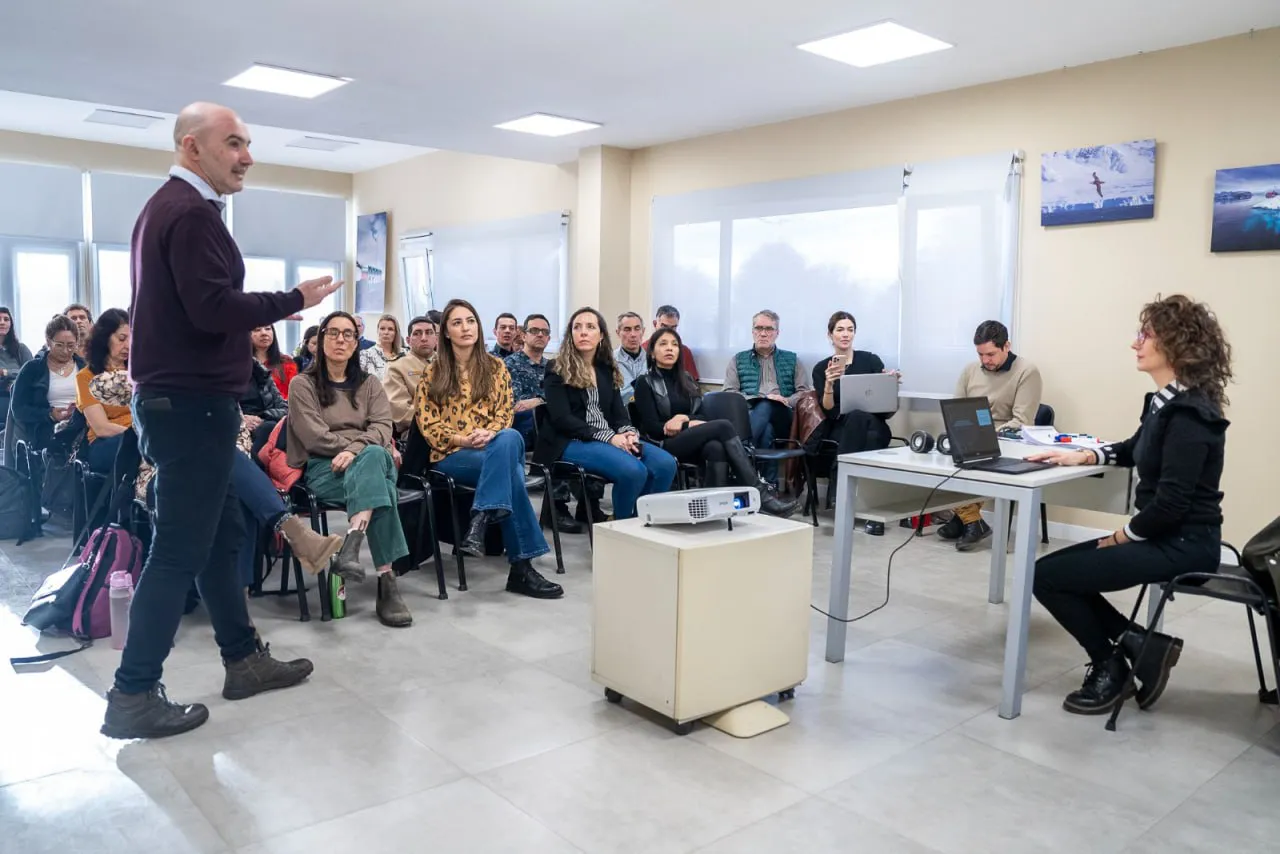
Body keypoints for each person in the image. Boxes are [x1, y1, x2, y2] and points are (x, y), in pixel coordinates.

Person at [102, 101, 342, 741]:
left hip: (181, 403)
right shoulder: (187, 212)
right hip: (189, 406)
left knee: (220, 535)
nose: (247, 156)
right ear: (192, 148)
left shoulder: (174, 209)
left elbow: (195, 308)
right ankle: (131, 695)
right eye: (233, 143)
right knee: (180, 548)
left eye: (247, 143)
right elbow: (211, 309)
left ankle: (242, 659)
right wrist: (295, 299)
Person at [1028, 295, 1231, 715]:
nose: (1135, 344)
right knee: (1048, 573)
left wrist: (1121, 537)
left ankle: (1113, 665)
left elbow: (1172, 504)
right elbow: (1133, 448)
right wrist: (1084, 455)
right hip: (1164, 535)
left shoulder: (1191, 414)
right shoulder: (1166, 402)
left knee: (1047, 577)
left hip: (1184, 543)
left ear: (1175, 344)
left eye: (1146, 335)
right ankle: (1141, 646)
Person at [417, 299, 564, 598]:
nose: (465, 327)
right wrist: (464, 440)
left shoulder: (496, 367)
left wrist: (490, 432)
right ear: (445, 332)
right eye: (457, 322)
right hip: (451, 455)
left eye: (470, 320)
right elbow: (428, 426)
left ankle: (481, 518)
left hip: (493, 447)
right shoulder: (434, 372)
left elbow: (504, 414)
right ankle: (521, 568)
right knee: (511, 472)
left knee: (509, 438)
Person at [288, 310, 412, 628]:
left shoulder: (370, 384)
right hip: (324, 468)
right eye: (333, 333)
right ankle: (387, 581)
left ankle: (352, 545)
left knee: (372, 456)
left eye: (348, 334)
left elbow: (384, 426)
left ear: (357, 342)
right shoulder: (302, 385)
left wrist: (356, 449)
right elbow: (313, 434)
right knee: (381, 485)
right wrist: (357, 446)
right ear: (319, 340)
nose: (341, 339)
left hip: (369, 458)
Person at [634, 327, 796, 517]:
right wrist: (685, 425)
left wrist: (685, 419)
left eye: (675, 344)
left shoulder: (686, 379)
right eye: (663, 344)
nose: (670, 349)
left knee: (716, 447)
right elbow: (652, 428)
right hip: (662, 444)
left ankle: (713, 511)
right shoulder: (645, 382)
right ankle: (760, 494)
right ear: (652, 352)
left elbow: (702, 417)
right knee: (723, 426)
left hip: (689, 438)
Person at [534, 307, 677, 521]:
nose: (583, 332)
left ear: (601, 335)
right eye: (577, 327)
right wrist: (609, 437)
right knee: (634, 471)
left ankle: (642, 522)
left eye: (590, 327)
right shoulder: (557, 368)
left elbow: (618, 413)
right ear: (570, 335)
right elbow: (562, 419)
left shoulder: (605, 368)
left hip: (608, 438)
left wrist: (628, 433)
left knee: (666, 464)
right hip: (570, 440)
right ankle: (621, 528)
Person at [937, 320, 1043, 551]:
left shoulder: (1027, 371)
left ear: (1007, 346)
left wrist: (984, 435)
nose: (986, 361)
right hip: (969, 434)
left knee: (972, 460)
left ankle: (965, 520)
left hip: (1005, 437)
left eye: (991, 354)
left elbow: (1022, 421)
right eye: (980, 354)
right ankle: (971, 521)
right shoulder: (970, 370)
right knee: (939, 459)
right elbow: (956, 410)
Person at [811, 311, 899, 532]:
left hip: (876, 425)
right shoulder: (822, 368)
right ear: (830, 335)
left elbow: (887, 407)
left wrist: (890, 384)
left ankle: (839, 486)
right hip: (841, 427)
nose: (845, 334)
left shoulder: (870, 360)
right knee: (858, 420)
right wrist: (830, 384)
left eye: (850, 329)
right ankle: (874, 516)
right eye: (840, 329)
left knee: (862, 418)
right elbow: (828, 409)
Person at [722, 310, 811, 485]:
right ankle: (769, 486)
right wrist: (755, 398)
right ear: (752, 331)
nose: (763, 333)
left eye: (769, 329)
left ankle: (739, 452)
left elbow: (804, 392)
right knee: (766, 425)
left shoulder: (792, 360)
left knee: (768, 405)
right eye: (759, 328)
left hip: (784, 418)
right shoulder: (738, 360)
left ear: (777, 333)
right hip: (752, 415)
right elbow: (729, 393)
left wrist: (785, 400)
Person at [6, 315, 82, 464]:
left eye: (71, 345)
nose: (66, 351)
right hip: (44, 430)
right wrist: (50, 415)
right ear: (48, 341)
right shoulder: (32, 369)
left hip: (81, 425)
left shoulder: (84, 367)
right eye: (59, 345)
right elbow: (19, 409)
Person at [75, 309, 133, 473]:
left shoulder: (137, 372)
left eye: (131, 339)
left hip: (140, 437)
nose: (128, 345)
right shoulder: (86, 377)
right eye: (122, 339)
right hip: (106, 442)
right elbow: (102, 428)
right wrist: (139, 436)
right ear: (104, 338)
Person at [383, 315, 435, 435]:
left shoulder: (448, 364)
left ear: (436, 338)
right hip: (418, 431)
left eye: (429, 333)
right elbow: (401, 414)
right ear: (408, 340)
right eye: (417, 333)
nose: (423, 338)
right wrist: (439, 418)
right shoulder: (397, 367)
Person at [505, 313, 552, 442]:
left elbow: (563, 398)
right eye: (534, 331)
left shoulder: (553, 368)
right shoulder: (509, 364)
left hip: (550, 422)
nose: (540, 334)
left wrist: (539, 401)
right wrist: (547, 401)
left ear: (548, 338)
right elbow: (517, 405)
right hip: (521, 427)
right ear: (524, 336)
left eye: (545, 332)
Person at [646, 305, 699, 381]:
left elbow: (692, 384)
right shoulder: (643, 349)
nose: (668, 331)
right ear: (655, 324)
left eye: (673, 327)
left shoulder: (684, 351)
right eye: (664, 326)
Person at [0, 306, 33, 419]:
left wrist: (5, 373)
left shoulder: (21, 349)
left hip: (18, 397)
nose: (2, 323)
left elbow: (31, 373)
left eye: (6, 319)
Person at [250, 324, 298, 399]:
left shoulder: (286, 362)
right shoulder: (241, 364)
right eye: (257, 330)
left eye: (268, 328)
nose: (264, 333)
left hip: (283, 408)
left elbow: (295, 393)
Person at [359, 313, 406, 380]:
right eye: (382, 329)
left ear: (396, 332)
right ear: (378, 331)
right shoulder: (366, 355)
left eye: (390, 329)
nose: (386, 332)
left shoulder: (405, 354)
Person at [614, 311, 647, 403]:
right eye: (627, 329)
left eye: (637, 329)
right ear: (618, 333)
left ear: (643, 331)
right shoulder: (609, 361)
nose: (633, 334)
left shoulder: (653, 361)